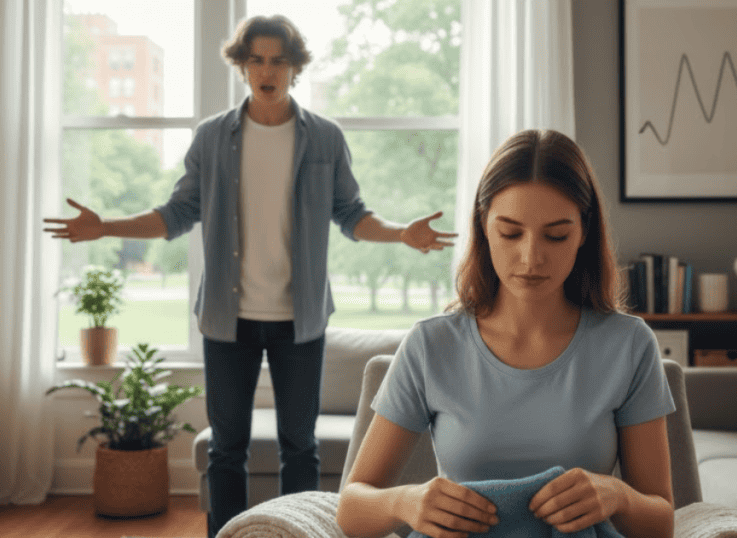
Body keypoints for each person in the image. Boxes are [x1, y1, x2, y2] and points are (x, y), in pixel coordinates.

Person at [43, 14, 455, 538]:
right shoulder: (212, 137)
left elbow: (352, 214)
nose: (267, 70)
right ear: (241, 65)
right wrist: (105, 227)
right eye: (256, 59)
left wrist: (402, 234)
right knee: (226, 448)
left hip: (300, 320)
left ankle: (301, 534)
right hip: (226, 317)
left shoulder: (324, 138)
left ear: (295, 67)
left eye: (278, 60)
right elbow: (176, 214)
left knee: (299, 448)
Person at [335, 129, 676, 538]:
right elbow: (351, 509)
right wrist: (403, 502)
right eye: (511, 233)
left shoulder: (628, 345)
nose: (531, 257)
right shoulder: (431, 345)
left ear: (584, 232)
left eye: (556, 235)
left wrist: (617, 496)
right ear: (483, 226)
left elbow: (661, 522)